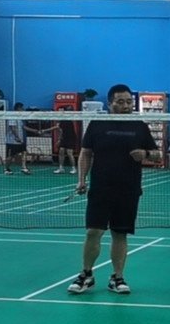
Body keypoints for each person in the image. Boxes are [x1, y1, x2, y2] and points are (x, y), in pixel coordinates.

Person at [68, 84, 159, 295]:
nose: (126, 106)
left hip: (128, 189)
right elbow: (85, 153)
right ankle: (86, 274)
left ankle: (117, 278)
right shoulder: (97, 124)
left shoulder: (140, 127)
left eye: (129, 102)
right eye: (120, 102)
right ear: (110, 104)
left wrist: (145, 154)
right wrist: (81, 180)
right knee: (93, 232)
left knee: (120, 233)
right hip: (101, 188)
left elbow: (157, 154)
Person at [4, 101, 31, 175]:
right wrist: (17, 137)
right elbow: (12, 128)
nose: (23, 109)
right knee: (11, 156)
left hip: (20, 141)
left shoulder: (19, 118)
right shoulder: (12, 116)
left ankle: (23, 167)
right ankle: (6, 169)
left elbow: (23, 127)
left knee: (24, 152)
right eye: (22, 108)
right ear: (18, 108)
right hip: (12, 141)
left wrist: (35, 131)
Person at [54, 106, 78, 174]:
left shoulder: (67, 118)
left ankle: (74, 168)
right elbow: (60, 130)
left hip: (71, 137)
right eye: (59, 110)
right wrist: (59, 139)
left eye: (61, 110)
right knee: (61, 151)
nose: (60, 112)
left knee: (69, 153)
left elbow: (58, 128)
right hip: (64, 137)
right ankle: (61, 168)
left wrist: (45, 130)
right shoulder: (60, 119)